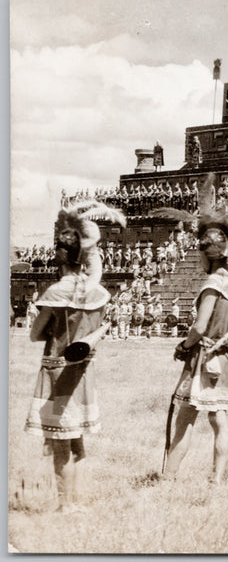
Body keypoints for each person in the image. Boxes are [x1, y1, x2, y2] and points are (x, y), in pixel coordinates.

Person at [25, 199, 125, 512]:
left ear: (60, 255)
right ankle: (76, 499)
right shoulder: (97, 292)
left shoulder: (55, 291)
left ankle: (65, 506)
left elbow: (35, 334)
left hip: (57, 374)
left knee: (59, 444)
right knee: (75, 439)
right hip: (83, 374)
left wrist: (36, 318)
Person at [158, 175, 228, 485]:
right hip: (225, 359)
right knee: (220, 422)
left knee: (185, 421)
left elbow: (200, 327)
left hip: (202, 358)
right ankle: (216, 479)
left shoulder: (213, 284)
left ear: (206, 254)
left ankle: (168, 478)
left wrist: (185, 346)